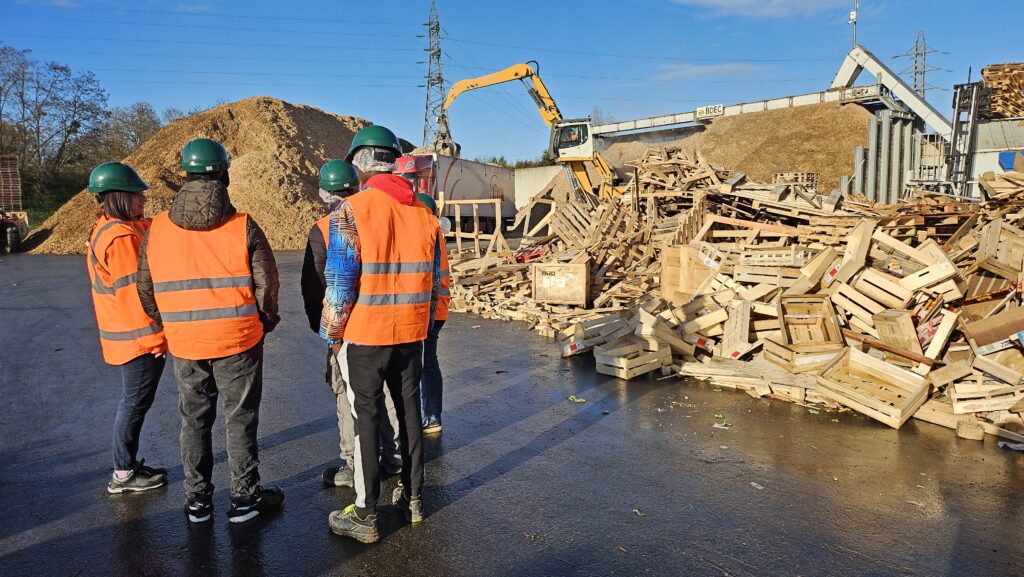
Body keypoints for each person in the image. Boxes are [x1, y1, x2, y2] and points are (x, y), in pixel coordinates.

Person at [136, 138, 283, 524]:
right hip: (238, 341)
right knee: (240, 419)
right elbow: (267, 283)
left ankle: (198, 502)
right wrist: (264, 321)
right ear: (223, 173)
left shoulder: (157, 229)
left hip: (186, 344)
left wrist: (168, 325)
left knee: (194, 420)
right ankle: (245, 500)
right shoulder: (242, 225)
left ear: (185, 174)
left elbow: (145, 288)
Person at [321, 125, 441, 543]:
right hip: (410, 335)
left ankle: (365, 512)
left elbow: (339, 285)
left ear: (359, 163)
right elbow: (435, 281)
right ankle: (412, 499)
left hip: (366, 336)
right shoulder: (425, 214)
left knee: (365, 418)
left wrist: (332, 335)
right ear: (393, 161)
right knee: (408, 414)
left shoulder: (351, 211)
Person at [301, 159, 403, 488]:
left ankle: (352, 464)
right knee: (384, 391)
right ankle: (394, 457)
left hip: (346, 327)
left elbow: (315, 285)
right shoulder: (376, 215)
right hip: (383, 321)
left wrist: (327, 332)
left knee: (347, 394)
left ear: (323, 192)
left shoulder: (323, 227)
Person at [85, 162, 169, 494]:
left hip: (127, 336)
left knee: (134, 401)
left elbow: (149, 226)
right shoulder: (120, 239)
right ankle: (123, 473)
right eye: (137, 196)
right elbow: (136, 295)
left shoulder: (113, 227)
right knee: (134, 402)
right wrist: (156, 338)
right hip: (137, 340)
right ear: (121, 197)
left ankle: (126, 465)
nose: (143, 201)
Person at [413, 192, 450, 435]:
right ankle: (432, 416)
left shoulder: (425, 233)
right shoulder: (437, 232)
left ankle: (423, 416)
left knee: (418, 365)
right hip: (438, 310)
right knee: (430, 363)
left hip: (425, 310)